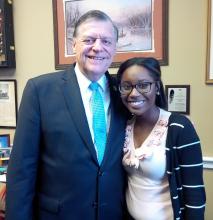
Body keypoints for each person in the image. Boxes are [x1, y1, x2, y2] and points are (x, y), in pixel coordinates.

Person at [6, 10, 128, 220]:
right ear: (74, 44)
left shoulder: (125, 93)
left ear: (115, 47)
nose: (98, 47)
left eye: (106, 41)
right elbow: (21, 171)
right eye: (89, 39)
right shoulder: (40, 90)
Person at [116, 57, 206, 220]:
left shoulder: (179, 128)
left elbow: (195, 195)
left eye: (143, 85)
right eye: (126, 86)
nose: (134, 93)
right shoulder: (123, 126)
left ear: (157, 87)